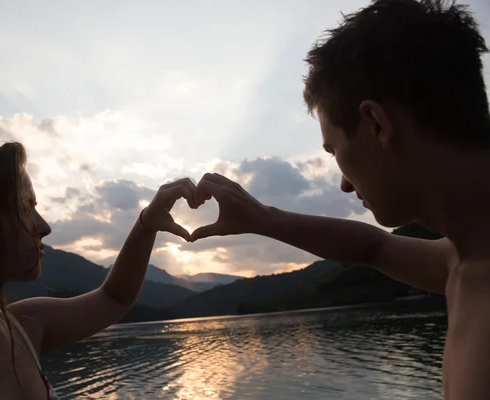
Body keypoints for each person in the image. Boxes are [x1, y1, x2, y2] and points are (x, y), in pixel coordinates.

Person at [189, 0, 490, 399]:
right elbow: (373, 248)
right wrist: (263, 219)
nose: (345, 185)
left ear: (376, 124)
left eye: (334, 152)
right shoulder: (463, 259)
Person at [0, 140, 197, 399]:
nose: (44, 227)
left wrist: (146, 223)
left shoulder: (24, 327)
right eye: (24, 206)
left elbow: (114, 297)